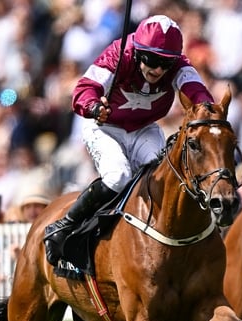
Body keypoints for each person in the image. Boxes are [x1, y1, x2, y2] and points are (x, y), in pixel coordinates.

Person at [43, 14, 215, 266]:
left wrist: (208, 109)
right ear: (137, 52)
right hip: (104, 125)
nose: (157, 69)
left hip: (143, 128)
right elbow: (83, 89)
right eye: (151, 60)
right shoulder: (119, 53)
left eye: (165, 63)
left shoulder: (179, 64)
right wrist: (92, 107)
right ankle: (65, 225)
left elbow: (198, 92)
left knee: (166, 177)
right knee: (118, 176)